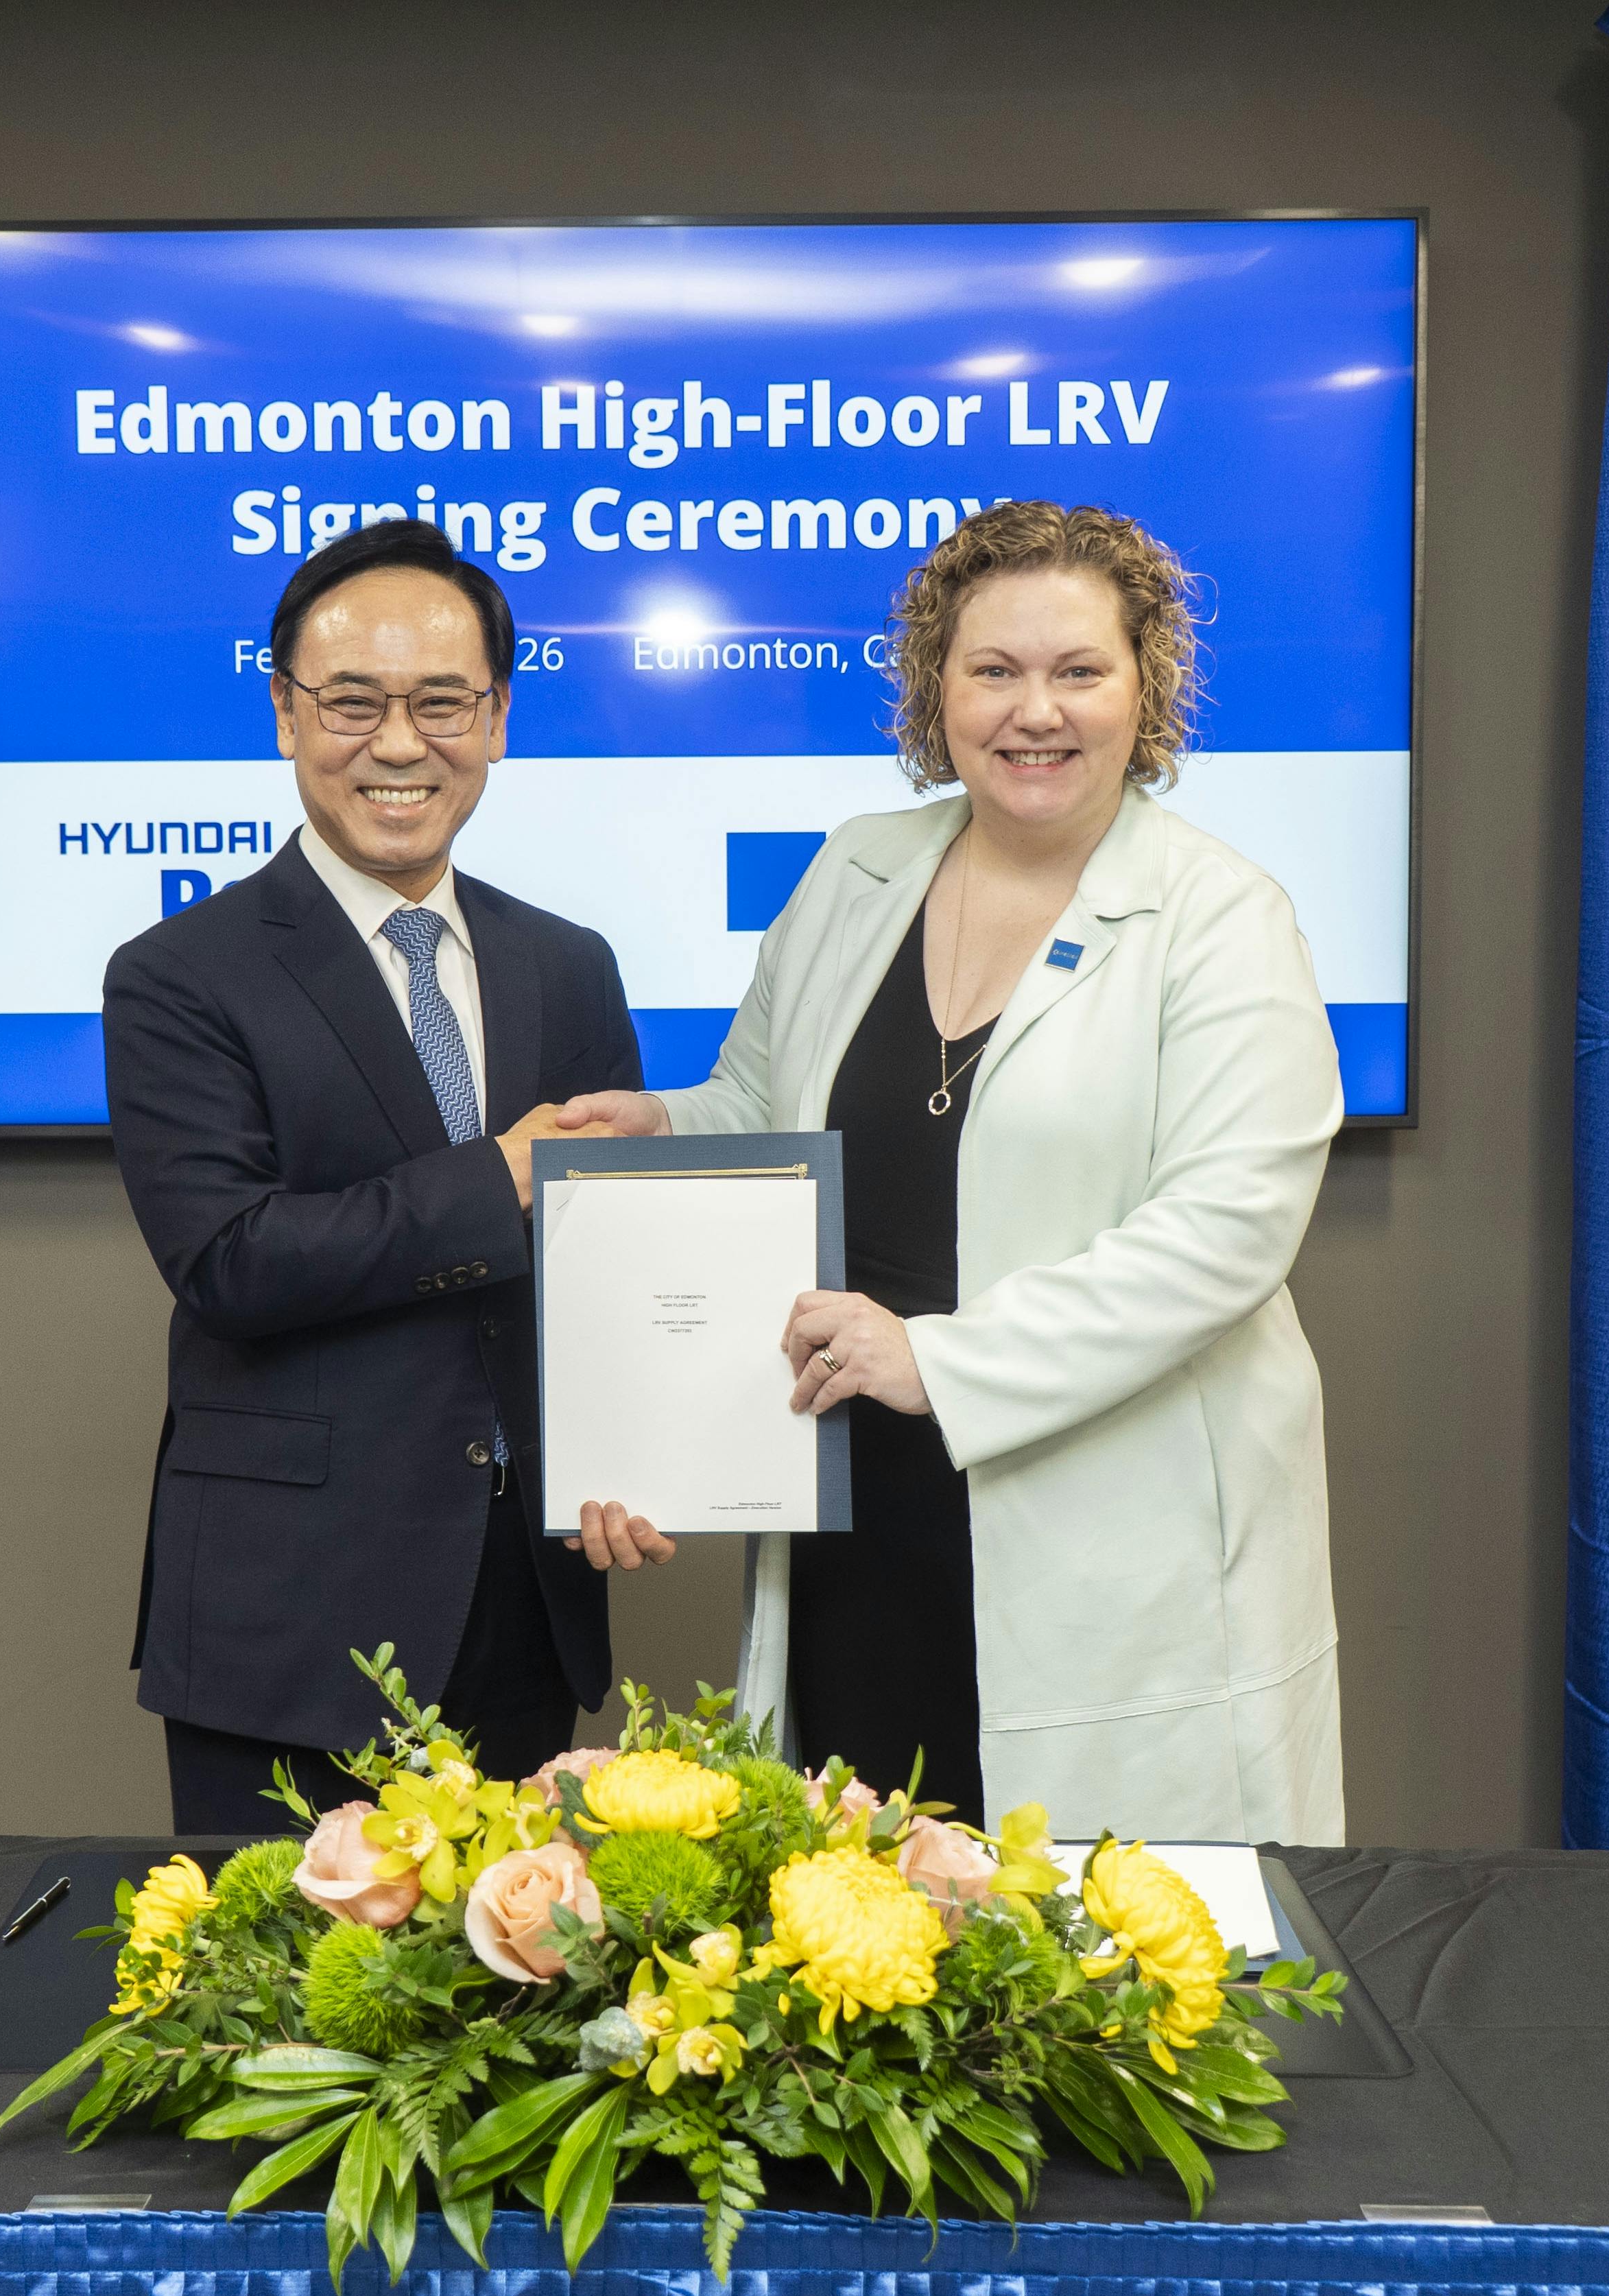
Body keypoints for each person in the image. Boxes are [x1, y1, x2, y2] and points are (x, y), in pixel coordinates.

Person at [556, 503, 1348, 1843]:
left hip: (1110, 1541)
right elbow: (765, 1094)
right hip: (865, 1515)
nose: (1035, 710)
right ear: (937, 686)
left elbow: (1226, 1229)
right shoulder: (862, 866)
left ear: (1144, 682)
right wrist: (663, 1131)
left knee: (1092, 1979)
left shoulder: (1222, 915)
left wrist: (943, 1358)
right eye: (994, 670)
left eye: (1079, 670)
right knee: (868, 1932)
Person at [106, 519, 669, 1835]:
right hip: (292, 1617)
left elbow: (614, 1269)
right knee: (288, 2022)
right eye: (353, 703)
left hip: (524, 1600)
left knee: (521, 2010)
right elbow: (231, 1261)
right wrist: (505, 1178)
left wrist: (650, 1448)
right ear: (287, 713)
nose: (401, 744)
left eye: (443, 703)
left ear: (500, 718)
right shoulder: (180, 974)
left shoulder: (568, 963)